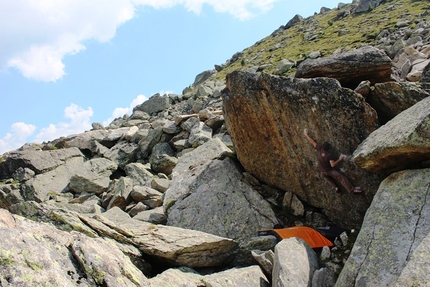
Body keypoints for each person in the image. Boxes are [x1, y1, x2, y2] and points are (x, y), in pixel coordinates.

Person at [304, 128, 362, 194]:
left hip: (322, 171)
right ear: (329, 149)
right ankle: (352, 190)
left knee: (328, 179)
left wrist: (306, 135)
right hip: (329, 171)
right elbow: (333, 165)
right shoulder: (329, 155)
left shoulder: (320, 149)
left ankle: (335, 187)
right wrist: (340, 159)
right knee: (341, 178)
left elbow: (312, 142)